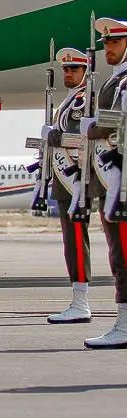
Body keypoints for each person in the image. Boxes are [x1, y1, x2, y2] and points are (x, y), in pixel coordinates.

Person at [80, 17, 127, 349]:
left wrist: (93, 127)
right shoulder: (115, 81)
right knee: (117, 253)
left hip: (123, 181)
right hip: (112, 178)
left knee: (123, 254)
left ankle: (124, 325)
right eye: (106, 42)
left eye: (115, 42)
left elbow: (119, 123)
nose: (108, 48)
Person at [40, 47, 93, 323]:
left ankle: (81, 302)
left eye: (74, 69)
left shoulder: (83, 101)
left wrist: (53, 137)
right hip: (65, 179)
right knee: (70, 240)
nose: (68, 74)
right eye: (66, 69)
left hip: (77, 180)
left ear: (85, 71)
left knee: (75, 240)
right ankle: (78, 299)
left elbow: (78, 138)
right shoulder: (68, 101)